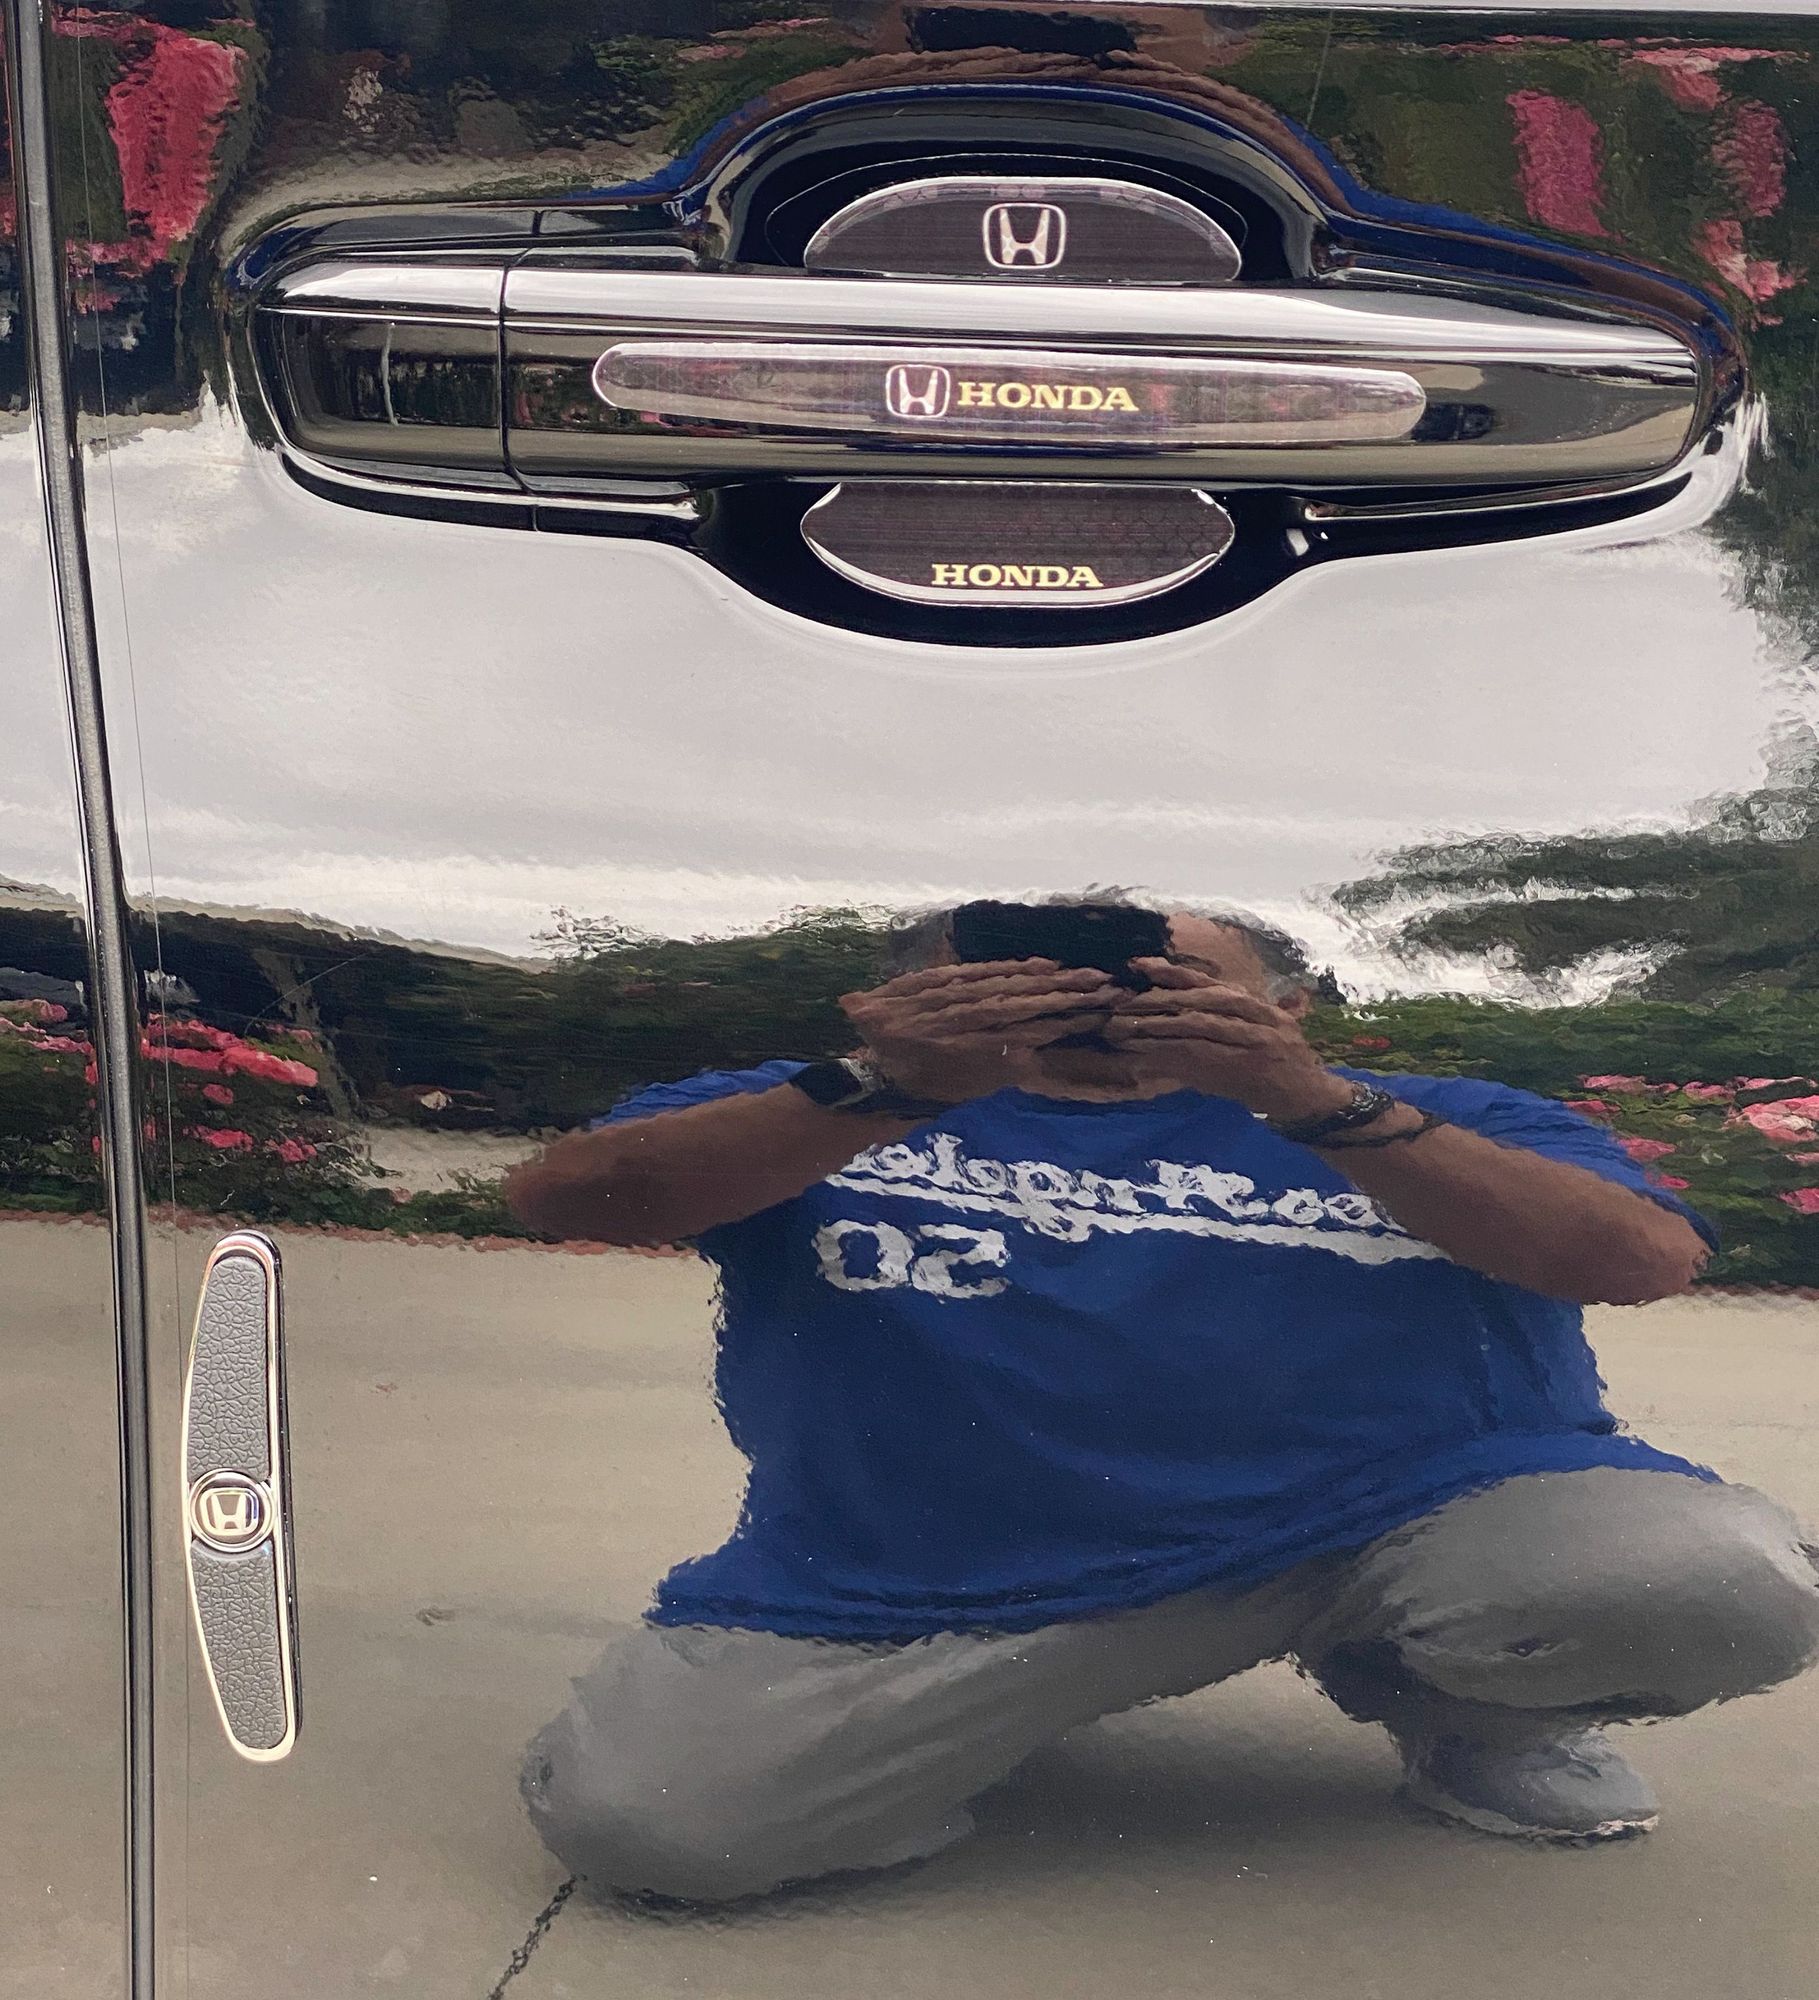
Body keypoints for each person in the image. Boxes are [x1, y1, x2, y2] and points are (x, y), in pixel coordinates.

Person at [505, 897, 1819, 1901]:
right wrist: (880, 1088)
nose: (1100, 1003)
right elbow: (563, 1203)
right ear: (898, 999)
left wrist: (1314, 1108)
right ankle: (979, 1712)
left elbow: (1637, 1262)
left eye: (1160, 979)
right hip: (926, 1574)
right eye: (1033, 976)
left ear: (1289, 1005)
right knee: (654, 1831)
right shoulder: (814, 1110)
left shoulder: (1438, 1113)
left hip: (1383, 1527)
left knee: (1714, 1581)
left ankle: (1469, 1711)